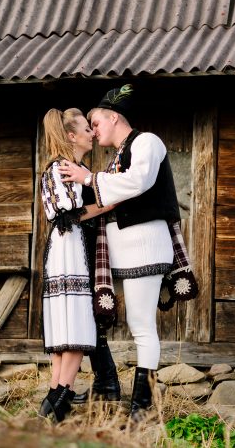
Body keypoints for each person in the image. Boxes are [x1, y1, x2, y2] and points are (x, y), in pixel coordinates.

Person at [59, 84, 181, 421]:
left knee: (141, 325)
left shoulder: (147, 142)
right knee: (93, 313)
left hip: (144, 246)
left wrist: (88, 178)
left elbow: (138, 181)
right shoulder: (116, 157)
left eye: (96, 123)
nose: (94, 131)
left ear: (114, 117)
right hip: (118, 251)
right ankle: (107, 383)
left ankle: (143, 404)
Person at [37, 107, 115, 423]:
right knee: (76, 326)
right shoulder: (62, 167)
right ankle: (59, 400)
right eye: (86, 129)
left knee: (70, 327)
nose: (92, 133)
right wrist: (110, 203)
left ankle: (54, 399)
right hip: (69, 249)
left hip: (69, 247)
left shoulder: (73, 168)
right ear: (71, 136)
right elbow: (70, 214)